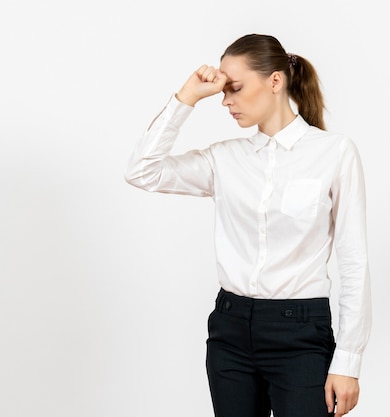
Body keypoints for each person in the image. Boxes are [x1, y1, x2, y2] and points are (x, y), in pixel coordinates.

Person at [125, 33, 371, 417]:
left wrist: (348, 361)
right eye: (223, 91)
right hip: (230, 332)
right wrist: (186, 97)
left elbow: (354, 260)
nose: (225, 101)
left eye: (234, 88)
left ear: (275, 81)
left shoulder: (334, 153)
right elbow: (142, 171)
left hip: (301, 335)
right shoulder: (224, 159)